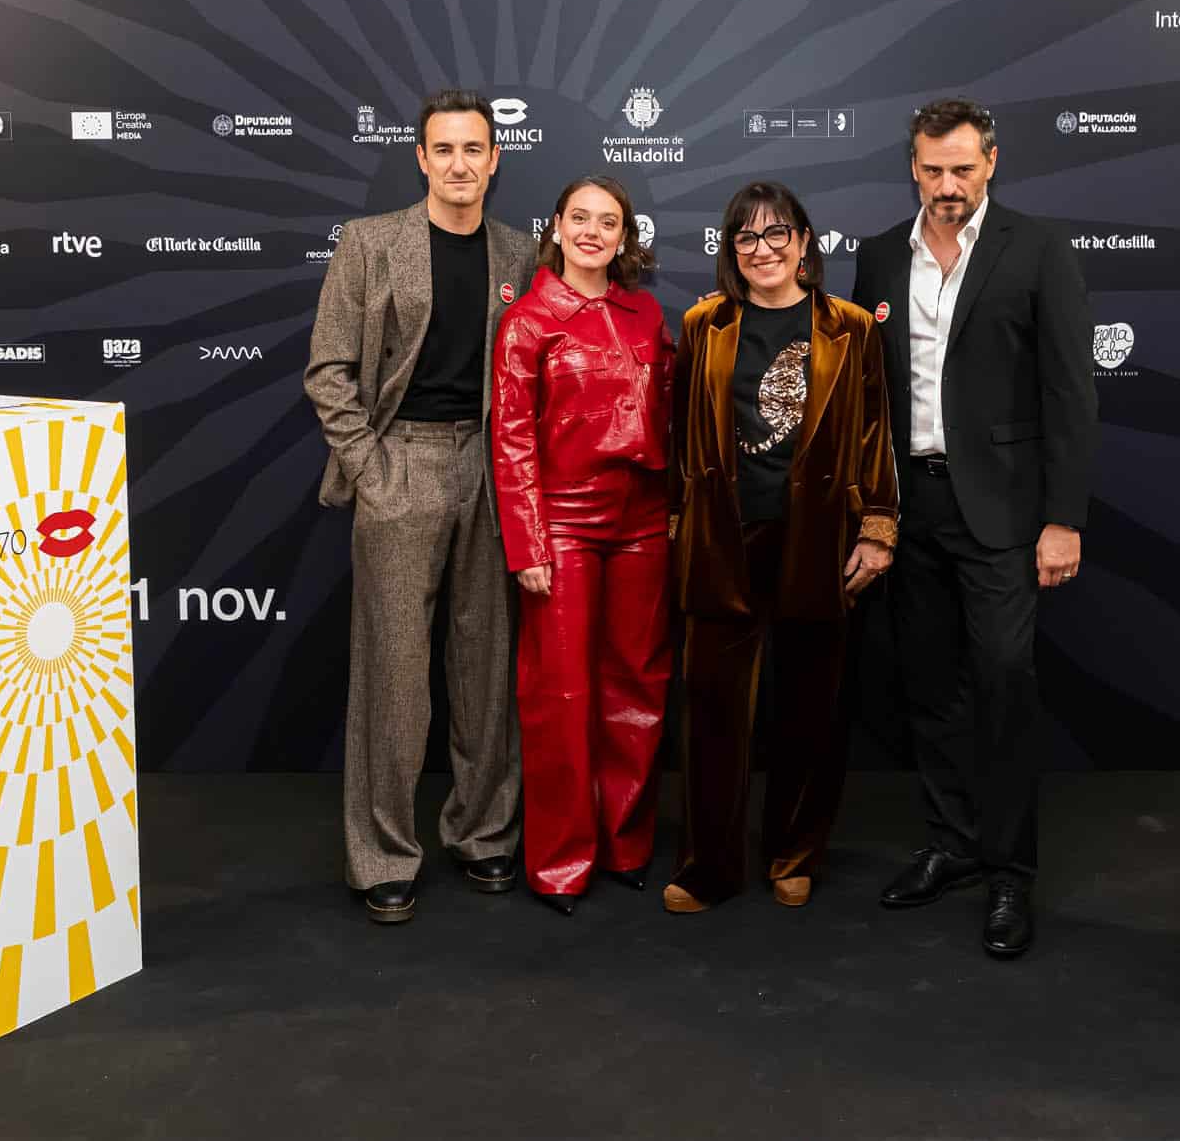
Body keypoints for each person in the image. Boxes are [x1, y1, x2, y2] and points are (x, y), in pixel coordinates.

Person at [854, 98, 1097, 959]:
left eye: (962, 168)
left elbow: (1070, 393)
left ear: (991, 161)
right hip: (909, 507)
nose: (947, 185)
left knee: (1002, 682)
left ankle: (1009, 871)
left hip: (1003, 511)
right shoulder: (881, 256)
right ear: (912, 167)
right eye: (932, 170)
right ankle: (952, 843)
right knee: (930, 686)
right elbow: (865, 393)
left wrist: (1063, 518)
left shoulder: (1037, 250)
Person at [303, 88, 537, 924]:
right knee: (395, 674)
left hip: (493, 468)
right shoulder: (371, 244)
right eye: (444, 149)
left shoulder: (521, 253)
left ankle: (482, 833)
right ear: (421, 158)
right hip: (400, 460)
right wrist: (372, 469)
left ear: (495, 159)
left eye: (474, 149)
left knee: (488, 666)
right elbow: (328, 370)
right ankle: (384, 855)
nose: (459, 164)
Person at [663, 181, 898, 913]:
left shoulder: (851, 328)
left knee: (810, 707)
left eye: (776, 234)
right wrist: (678, 523)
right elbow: (679, 435)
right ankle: (709, 866)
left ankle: (795, 853)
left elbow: (875, 434)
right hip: (723, 538)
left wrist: (878, 528)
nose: (761, 249)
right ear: (730, 249)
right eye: (746, 237)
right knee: (712, 711)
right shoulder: (703, 325)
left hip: (818, 539)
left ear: (803, 243)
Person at [489, 176, 675, 915]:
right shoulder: (528, 320)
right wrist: (528, 543)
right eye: (581, 218)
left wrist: (675, 512)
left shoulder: (646, 313)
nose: (593, 232)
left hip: (643, 520)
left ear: (625, 237)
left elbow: (672, 416)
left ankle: (625, 845)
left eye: (609, 222)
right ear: (557, 227)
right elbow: (512, 438)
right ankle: (561, 862)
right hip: (563, 522)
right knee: (560, 694)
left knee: (638, 685)